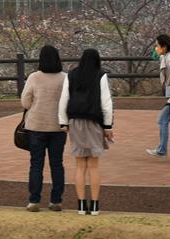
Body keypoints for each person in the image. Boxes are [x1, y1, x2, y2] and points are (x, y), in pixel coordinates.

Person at [58, 49, 113, 216]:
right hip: (94, 121)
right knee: (93, 165)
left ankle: (81, 206)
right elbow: (106, 102)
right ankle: (95, 205)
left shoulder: (72, 75)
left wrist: (63, 121)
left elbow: (64, 98)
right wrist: (108, 126)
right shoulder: (100, 75)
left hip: (75, 121)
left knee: (80, 165)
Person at [21, 45, 67, 212]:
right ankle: (56, 200)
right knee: (57, 164)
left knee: (36, 164)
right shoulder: (64, 78)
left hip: (36, 125)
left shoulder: (34, 77)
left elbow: (25, 102)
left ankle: (34, 200)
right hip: (58, 126)